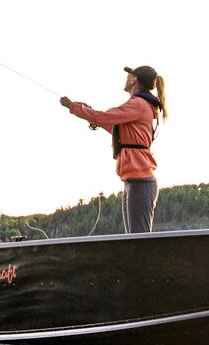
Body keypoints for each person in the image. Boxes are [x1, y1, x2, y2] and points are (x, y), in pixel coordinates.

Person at [60, 65, 164, 234]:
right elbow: (114, 127)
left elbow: (103, 117)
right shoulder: (139, 105)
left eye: (128, 75)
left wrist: (74, 107)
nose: (126, 78)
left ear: (134, 80)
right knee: (134, 238)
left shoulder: (138, 104)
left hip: (140, 181)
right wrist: (89, 112)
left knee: (139, 240)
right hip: (133, 181)